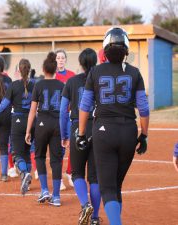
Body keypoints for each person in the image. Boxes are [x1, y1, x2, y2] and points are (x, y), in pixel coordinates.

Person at [77, 27, 149, 225]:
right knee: (116, 186)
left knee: (107, 188)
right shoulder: (134, 73)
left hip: (103, 132)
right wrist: (144, 135)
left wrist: (81, 134)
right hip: (128, 131)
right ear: (126, 49)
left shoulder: (96, 72)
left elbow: (85, 105)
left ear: (105, 49)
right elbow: (143, 108)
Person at [60, 48, 101, 225]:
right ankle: (95, 218)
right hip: (98, 128)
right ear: (96, 62)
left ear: (80, 63)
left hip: (78, 126)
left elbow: (63, 111)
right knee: (95, 176)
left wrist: (64, 135)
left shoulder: (71, 81)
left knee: (77, 172)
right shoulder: (101, 80)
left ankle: (85, 205)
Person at [25, 52, 64, 207]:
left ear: (43, 69)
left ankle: (44, 190)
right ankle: (56, 196)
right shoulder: (62, 85)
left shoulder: (38, 85)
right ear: (56, 69)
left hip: (41, 124)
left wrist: (28, 130)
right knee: (56, 160)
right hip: (56, 125)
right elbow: (64, 110)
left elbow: (32, 110)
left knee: (39, 156)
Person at [0, 58, 35, 194]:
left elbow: (4, 103)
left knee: (16, 153)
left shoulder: (14, 85)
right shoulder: (34, 85)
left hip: (17, 121)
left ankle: (23, 172)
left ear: (18, 70)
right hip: (31, 121)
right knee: (27, 152)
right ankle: (26, 181)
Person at [55, 48, 75, 190]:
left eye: (63, 58)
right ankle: (59, 179)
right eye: (58, 58)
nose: (60, 60)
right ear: (55, 60)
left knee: (73, 145)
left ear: (66, 60)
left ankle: (70, 173)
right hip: (56, 116)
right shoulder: (52, 76)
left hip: (69, 115)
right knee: (59, 148)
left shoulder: (71, 76)